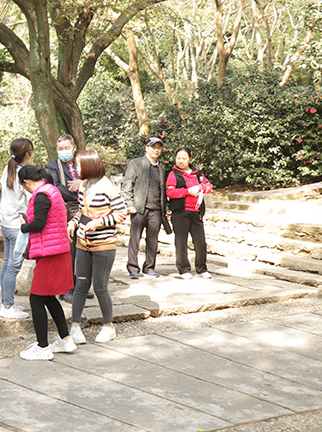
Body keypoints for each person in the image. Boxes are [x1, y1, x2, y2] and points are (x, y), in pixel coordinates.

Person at [67, 150, 127, 344]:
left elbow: (121, 213)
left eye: (78, 165)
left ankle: (108, 326)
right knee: (81, 284)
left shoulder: (107, 186)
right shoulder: (84, 185)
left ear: (89, 165)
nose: (76, 168)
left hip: (104, 244)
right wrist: (74, 222)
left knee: (100, 286)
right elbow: (81, 211)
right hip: (83, 242)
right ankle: (75, 327)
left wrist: (98, 222)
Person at [17, 165, 76, 361]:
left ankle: (42, 347)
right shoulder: (52, 190)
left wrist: (23, 226)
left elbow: (39, 223)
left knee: (36, 299)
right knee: (49, 297)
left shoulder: (41, 195)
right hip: (57, 251)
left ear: (26, 182)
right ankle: (65, 339)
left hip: (51, 253)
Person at [45, 134, 93, 302]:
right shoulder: (51, 167)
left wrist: (82, 183)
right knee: (69, 252)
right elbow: (56, 188)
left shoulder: (83, 164)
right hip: (65, 213)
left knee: (84, 250)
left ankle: (81, 286)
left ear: (74, 148)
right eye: (60, 148)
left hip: (85, 211)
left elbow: (93, 182)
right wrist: (79, 191)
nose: (63, 151)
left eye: (67, 147)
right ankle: (66, 288)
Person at [121, 136, 168, 279]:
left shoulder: (161, 167)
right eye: (153, 147)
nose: (156, 150)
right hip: (139, 208)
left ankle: (149, 267)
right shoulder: (136, 163)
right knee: (134, 239)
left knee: (153, 240)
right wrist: (129, 204)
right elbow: (127, 185)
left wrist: (165, 209)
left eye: (158, 148)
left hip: (156, 210)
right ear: (146, 148)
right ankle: (133, 268)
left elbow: (163, 190)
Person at [0, 138, 33, 319]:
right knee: (13, 267)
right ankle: (8, 306)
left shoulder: (8, 169)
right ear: (27, 154)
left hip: (6, 224)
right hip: (17, 227)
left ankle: (5, 302)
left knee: (7, 265)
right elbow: (31, 193)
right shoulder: (22, 173)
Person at [166, 147, 214, 280]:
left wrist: (200, 187)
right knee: (181, 242)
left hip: (196, 212)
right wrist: (187, 191)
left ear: (190, 159)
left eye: (184, 158)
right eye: (178, 158)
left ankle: (202, 269)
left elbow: (209, 186)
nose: (181, 161)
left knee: (200, 242)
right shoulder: (173, 174)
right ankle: (184, 269)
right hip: (180, 213)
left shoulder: (198, 174)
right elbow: (170, 192)